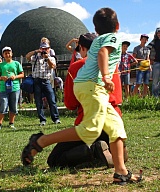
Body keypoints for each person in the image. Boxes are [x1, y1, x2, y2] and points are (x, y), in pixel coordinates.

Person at [21, 7, 142, 185]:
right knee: (90, 130)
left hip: (89, 86)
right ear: (117, 25)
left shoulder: (98, 41)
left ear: (96, 29)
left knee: (116, 127)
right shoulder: (113, 38)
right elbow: (103, 53)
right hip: (93, 86)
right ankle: (41, 141)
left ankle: (121, 172)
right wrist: (107, 77)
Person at [48, 33, 128, 169]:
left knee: (54, 159)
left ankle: (93, 150)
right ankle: (114, 149)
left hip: (90, 122)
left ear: (83, 49)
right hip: (114, 121)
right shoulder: (111, 65)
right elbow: (118, 96)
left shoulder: (76, 67)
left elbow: (71, 104)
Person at [25, 40, 61, 126]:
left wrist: (46, 58)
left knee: (52, 100)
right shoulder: (35, 57)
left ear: (49, 49)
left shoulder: (51, 58)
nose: (44, 50)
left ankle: (55, 118)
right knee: (38, 102)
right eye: (43, 48)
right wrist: (36, 51)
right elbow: (27, 57)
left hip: (46, 81)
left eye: (46, 48)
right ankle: (42, 119)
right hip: (37, 81)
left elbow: (53, 66)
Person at [0, 46, 24, 131]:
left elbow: (22, 74)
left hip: (15, 87)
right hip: (4, 88)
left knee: (13, 106)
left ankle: (11, 123)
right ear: (3, 55)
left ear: (12, 53)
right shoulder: (0, 65)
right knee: (3, 104)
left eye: (9, 53)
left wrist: (15, 76)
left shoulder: (17, 64)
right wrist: (1, 78)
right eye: (5, 53)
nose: (7, 54)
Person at [147, 28, 160, 97]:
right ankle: (155, 97)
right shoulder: (154, 41)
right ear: (156, 34)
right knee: (155, 81)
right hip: (156, 63)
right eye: (158, 32)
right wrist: (149, 58)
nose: (159, 34)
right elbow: (147, 48)